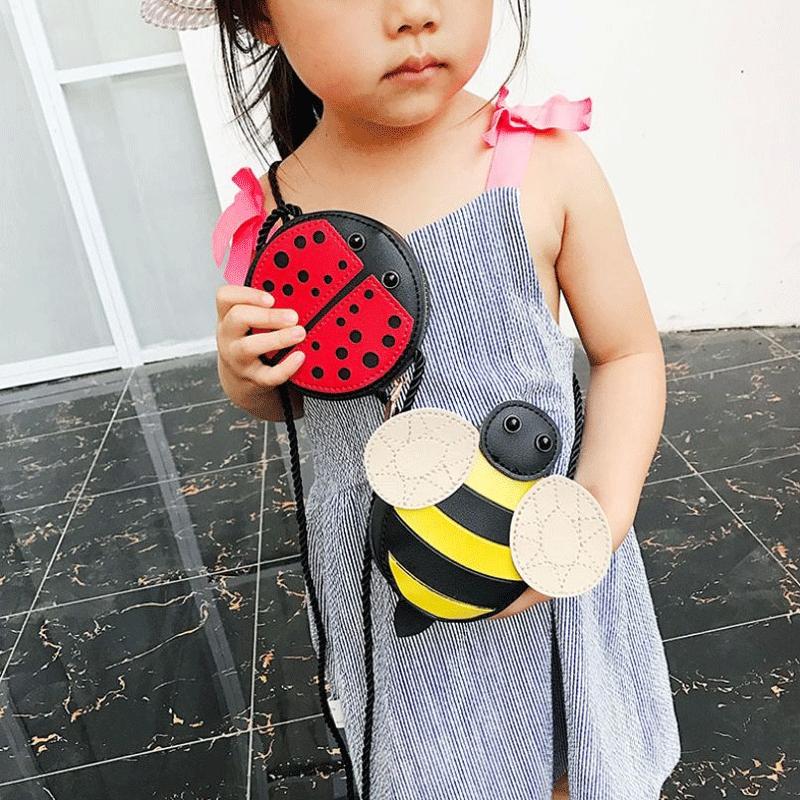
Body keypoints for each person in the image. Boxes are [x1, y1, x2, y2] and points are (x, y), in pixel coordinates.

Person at [142, 1, 683, 797]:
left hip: (547, 557)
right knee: (434, 767)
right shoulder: (276, 224)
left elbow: (627, 353)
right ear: (259, 16)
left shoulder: (540, 164)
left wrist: (600, 515)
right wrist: (249, 377)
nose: (413, 13)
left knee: (573, 759)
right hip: (395, 602)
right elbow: (306, 407)